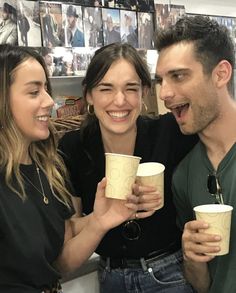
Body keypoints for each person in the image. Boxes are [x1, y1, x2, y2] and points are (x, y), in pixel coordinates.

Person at [0, 44, 140, 293]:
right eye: (34, 92)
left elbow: (58, 258)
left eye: (46, 89)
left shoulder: (47, 169)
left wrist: (99, 220)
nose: (49, 101)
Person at [58, 42, 198, 293]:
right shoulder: (73, 147)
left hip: (169, 273)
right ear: (88, 94)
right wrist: (100, 219)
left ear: (145, 92)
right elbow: (68, 248)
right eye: (106, 88)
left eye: (131, 88)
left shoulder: (170, 131)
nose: (119, 100)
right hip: (110, 277)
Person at [155, 15, 236, 293]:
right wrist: (192, 258)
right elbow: (202, 286)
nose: (165, 93)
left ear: (220, 74)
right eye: (160, 80)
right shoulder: (184, 176)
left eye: (178, 76)